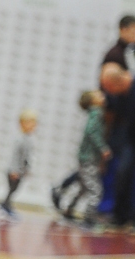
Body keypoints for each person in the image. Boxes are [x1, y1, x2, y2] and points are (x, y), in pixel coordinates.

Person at [53, 91, 111, 224]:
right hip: (89, 158)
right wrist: (103, 148)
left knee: (84, 187)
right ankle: (89, 218)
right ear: (93, 101)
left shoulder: (94, 113)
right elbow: (91, 132)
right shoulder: (97, 113)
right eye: (99, 95)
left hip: (86, 157)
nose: (103, 96)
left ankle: (69, 210)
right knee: (95, 190)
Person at [99, 15, 135, 227]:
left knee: (123, 171)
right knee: (120, 170)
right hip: (124, 130)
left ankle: (122, 213)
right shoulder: (116, 54)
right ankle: (118, 212)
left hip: (127, 131)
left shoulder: (126, 55)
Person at [0, 109, 38, 220]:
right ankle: (5, 205)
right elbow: (16, 157)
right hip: (14, 171)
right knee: (12, 189)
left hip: (20, 170)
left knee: (14, 190)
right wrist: (14, 170)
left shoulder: (30, 139)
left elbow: (28, 157)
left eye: (34, 123)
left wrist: (27, 169)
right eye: (29, 122)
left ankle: (6, 205)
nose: (32, 126)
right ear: (21, 123)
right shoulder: (20, 139)